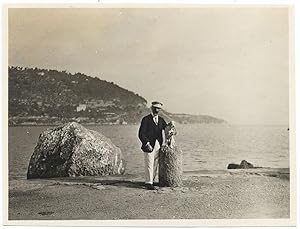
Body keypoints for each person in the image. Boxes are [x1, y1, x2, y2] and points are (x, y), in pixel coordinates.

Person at [138, 101, 167, 190]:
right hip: (149, 145)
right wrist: (146, 143)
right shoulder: (145, 119)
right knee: (149, 164)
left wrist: (172, 126)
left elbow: (166, 128)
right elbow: (141, 134)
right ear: (152, 108)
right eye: (155, 108)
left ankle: (152, 180)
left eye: (158, 108)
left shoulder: (161, 120)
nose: (157, 110)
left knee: (155, 164)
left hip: (158, 145)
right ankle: (148, 183)